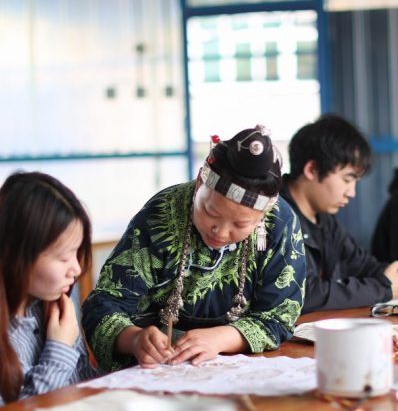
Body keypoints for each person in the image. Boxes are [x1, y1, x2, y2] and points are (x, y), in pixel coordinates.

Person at [82, 126, 306, 373]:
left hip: (240, 367)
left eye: (241, 224)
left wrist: (221, 338)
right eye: (210, 212)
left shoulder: (280, 222)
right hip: (157, 364)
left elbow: (281, 315)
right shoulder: (161, 214)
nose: (220, 232)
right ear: (200, 181)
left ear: (263, 215)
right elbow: (105, 304)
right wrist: (134, 339)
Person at [280, 115, 398, 313]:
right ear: (313, 169)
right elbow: (301, 293)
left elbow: (362, 265)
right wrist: (382, 289)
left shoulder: (326, 221)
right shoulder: (275, 217)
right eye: (347, 180)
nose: (351, 192)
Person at [0, 172, 98, 411]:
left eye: (76, 253)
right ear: (16, 256)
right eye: (63, 257)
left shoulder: (52, 305)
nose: (76, 269)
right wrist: (60, 348)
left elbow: (84, 388)